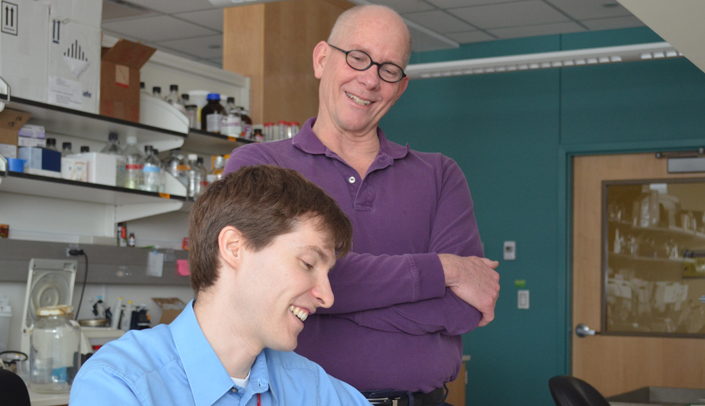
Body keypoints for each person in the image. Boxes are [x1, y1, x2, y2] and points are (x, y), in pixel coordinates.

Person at [223, 5, 501, 406]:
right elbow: (264, 287)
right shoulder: (260, 167)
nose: (370, 79)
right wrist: (444, 270)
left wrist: (321, 305)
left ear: (400, 87)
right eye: (357, 57)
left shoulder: (440, 175)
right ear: (322, 59)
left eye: (388, 69)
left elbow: (463, 309)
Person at [69, 165, 371, 406]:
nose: (327, 297)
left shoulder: (308, 385)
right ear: (234, 247)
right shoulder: (120, 384)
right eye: (307, 263)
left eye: (327, 272)